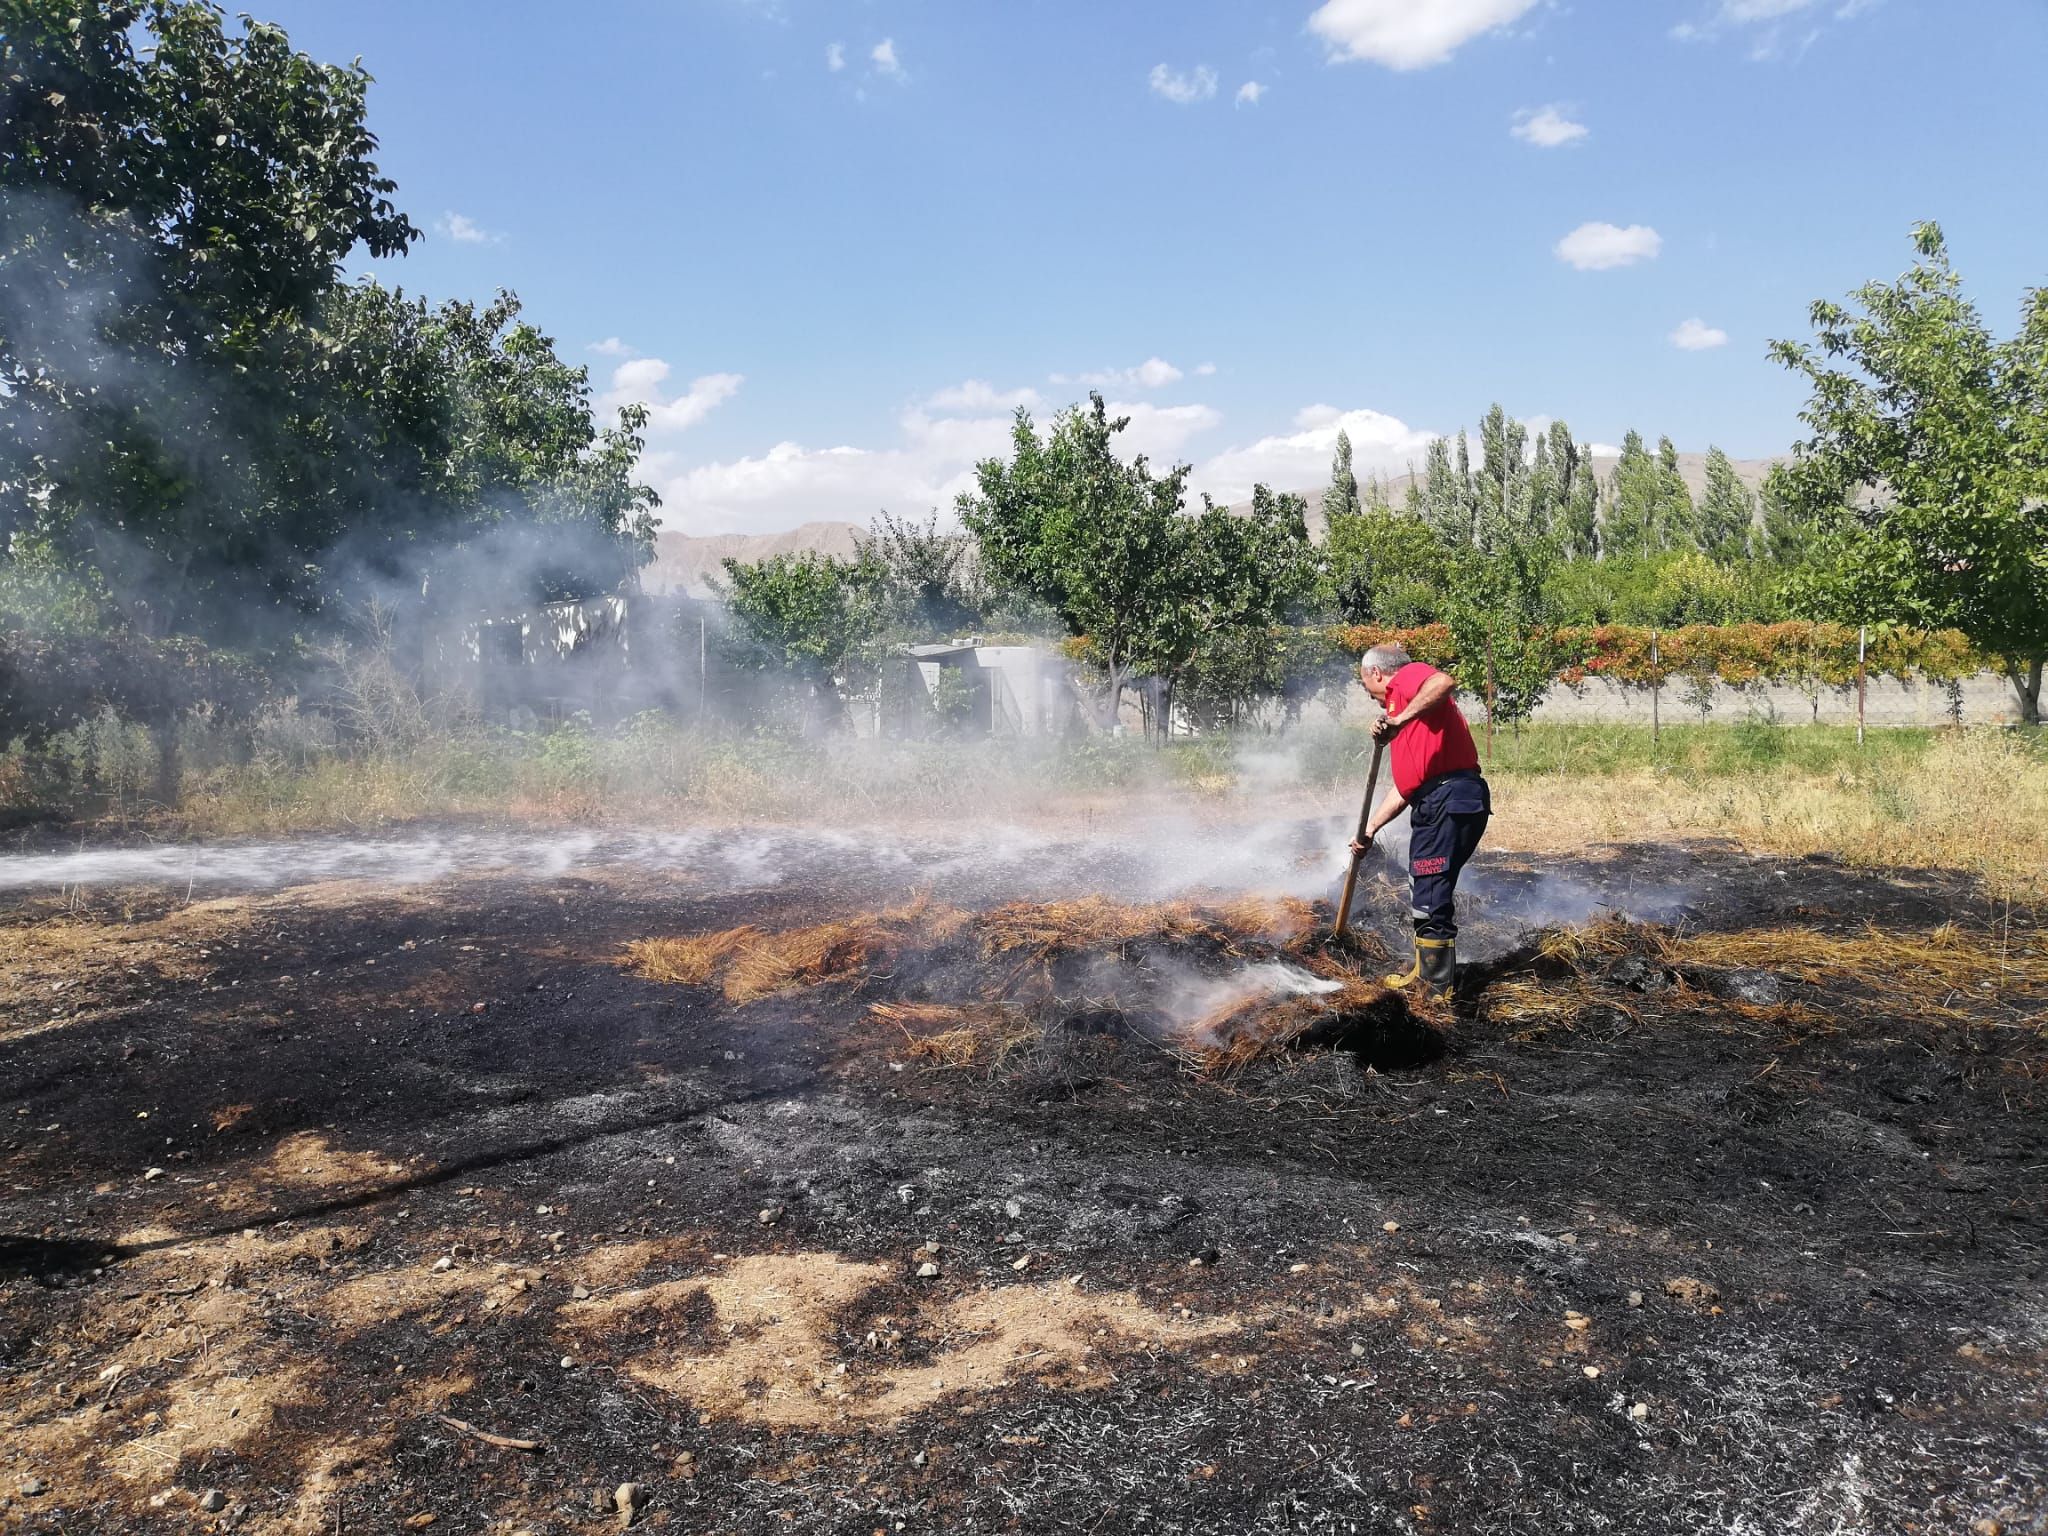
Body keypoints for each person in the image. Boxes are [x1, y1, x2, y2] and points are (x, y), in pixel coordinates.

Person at [1348, 643, 1492, 991]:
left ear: (1376, 674)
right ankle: (1426, 972)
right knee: (1427, 885)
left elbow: (1443, 681)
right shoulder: (1410, 718)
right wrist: (1369, 830)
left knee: (1428, 887)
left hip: (1447, 797)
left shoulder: (1408, 680)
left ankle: (1436, 986)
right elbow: (1406, 788)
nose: (1371, 697)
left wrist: (1397, 720)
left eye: (1366, 686)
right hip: (1443, 798)